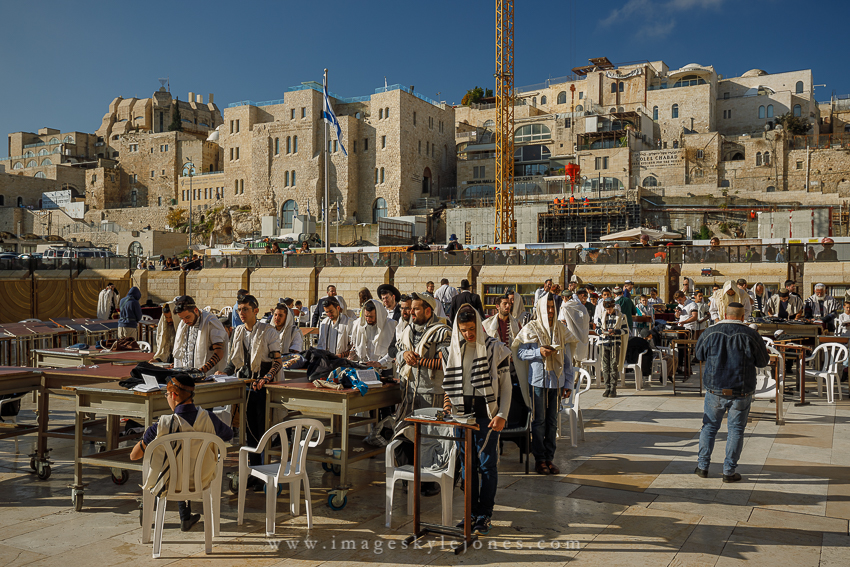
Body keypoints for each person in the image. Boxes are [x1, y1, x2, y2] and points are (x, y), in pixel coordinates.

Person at [130, 373, 233, 531]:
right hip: (201, 480)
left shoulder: (162, 425)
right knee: (185, 460)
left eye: (166, 395)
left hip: (168, 483)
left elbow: (134, 456)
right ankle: (185, 516)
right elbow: (228, 435)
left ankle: (147, 506)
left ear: (173, 394)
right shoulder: (209, 418)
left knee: (172, 461)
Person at [443, 304, 511, 536]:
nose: (468, 334)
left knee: (487, 465)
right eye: (463, 330)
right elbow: (450, 385)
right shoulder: (454, 350)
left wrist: (502, 414)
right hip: (461, 415)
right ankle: (470, 512)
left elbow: (506, 386)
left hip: (487, 416)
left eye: (472, 329)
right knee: (467, 466)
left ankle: (485, 514)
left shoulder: (496, 349)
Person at [694, 303, 769, 482]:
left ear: (723, 314)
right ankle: (729, 471)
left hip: (715, 388)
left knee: (709, 427)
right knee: (735, 430)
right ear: (743, 317)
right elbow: (762, 362)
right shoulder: (751, 334)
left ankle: (702, 466)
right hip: (741, 389)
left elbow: (699, 355)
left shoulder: (710, 332)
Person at [216, 295, 282, 477]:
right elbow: (233, 361)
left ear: (255, 311)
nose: (242, 313)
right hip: (244, 385)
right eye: (239, 309)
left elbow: (277, 361)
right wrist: (224, 373)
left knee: (259, 429)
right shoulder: (238, 331)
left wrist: (265, 378)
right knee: (246, 430)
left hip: (262, 388)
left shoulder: (268, 331)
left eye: (245, 309)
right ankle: (251, 471)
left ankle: (260, 472)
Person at [394, 292, 452, 497]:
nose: (411, 312)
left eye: (416, 308)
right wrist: (405, 355)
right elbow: (399, 352)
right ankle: (408, 477)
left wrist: (419, 361)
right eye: (411, 308)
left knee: (430, 439)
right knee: (405, 435)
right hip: (410, 391)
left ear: (428, 311)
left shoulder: (443, 332)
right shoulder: (407, 330)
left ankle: (429, 481)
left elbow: (446, 362)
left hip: (432, 393)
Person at [515, 294, 574, 475]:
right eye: (546, 307)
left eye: (552, 308)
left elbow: (567, 359)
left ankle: (550, 457)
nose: (549, 311)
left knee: (553, 421)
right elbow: (520, 353)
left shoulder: (560, 329)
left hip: (556, 381)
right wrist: (538, 352)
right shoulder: (531, 328)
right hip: (538, 381)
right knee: (538, 421)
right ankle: (539, 459)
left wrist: (569, 382)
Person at [349, 299, 397, 378]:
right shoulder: (358, 324)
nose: (368, 319)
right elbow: (355, 344)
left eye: (371, 317)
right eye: (366, 316)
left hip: (384, 368)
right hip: (364, 367)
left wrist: (380, 362)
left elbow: (394, 349)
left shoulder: (390, 325)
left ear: (379, 315)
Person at [598, 298, 629, 397]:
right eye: (607, 309)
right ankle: (606, 388)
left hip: (615, 343)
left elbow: (625, 330)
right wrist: (602, 332)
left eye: (610, 309)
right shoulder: (602, 315)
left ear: (613, 307)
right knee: (605, 367)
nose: (608, 311)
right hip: (604, 343)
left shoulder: (621, 316)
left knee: (613, 366)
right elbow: (597, 329)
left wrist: (615, 331)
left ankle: (613, 388)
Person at [559, 290, 590, 364]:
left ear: (565, 298)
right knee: (577, 364)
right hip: (582, 338)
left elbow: (562, 320)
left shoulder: (565, 307)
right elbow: (587, 319)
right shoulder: (582, 307)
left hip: (570, 338)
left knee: (570, 363)